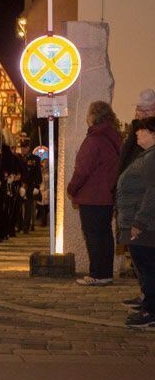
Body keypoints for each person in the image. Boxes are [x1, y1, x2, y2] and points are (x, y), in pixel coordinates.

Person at [67, 100, 122, 286]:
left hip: (92, 197)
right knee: (105, 235)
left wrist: (72, 188)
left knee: (93, 236)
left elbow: (83, 169)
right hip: (107, 195)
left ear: (93, 116)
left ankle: (97, 273)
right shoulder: (114, 137)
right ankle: (105, 272)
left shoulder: (95, 139)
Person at [118, 117, 155, 326]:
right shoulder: (147, 155)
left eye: (142, 131)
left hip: (145, 225)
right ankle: (149, 304)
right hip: (141, 221)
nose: (137, 134)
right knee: (145, 265)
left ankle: (151, 310)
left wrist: (139, 221)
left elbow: (152, 191)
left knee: (147, 266)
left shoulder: (152, 158)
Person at [117, 89, 155, 177]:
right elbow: (124, 159)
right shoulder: (134, 130)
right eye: (141, 110)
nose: (144, 114)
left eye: (148, 110)